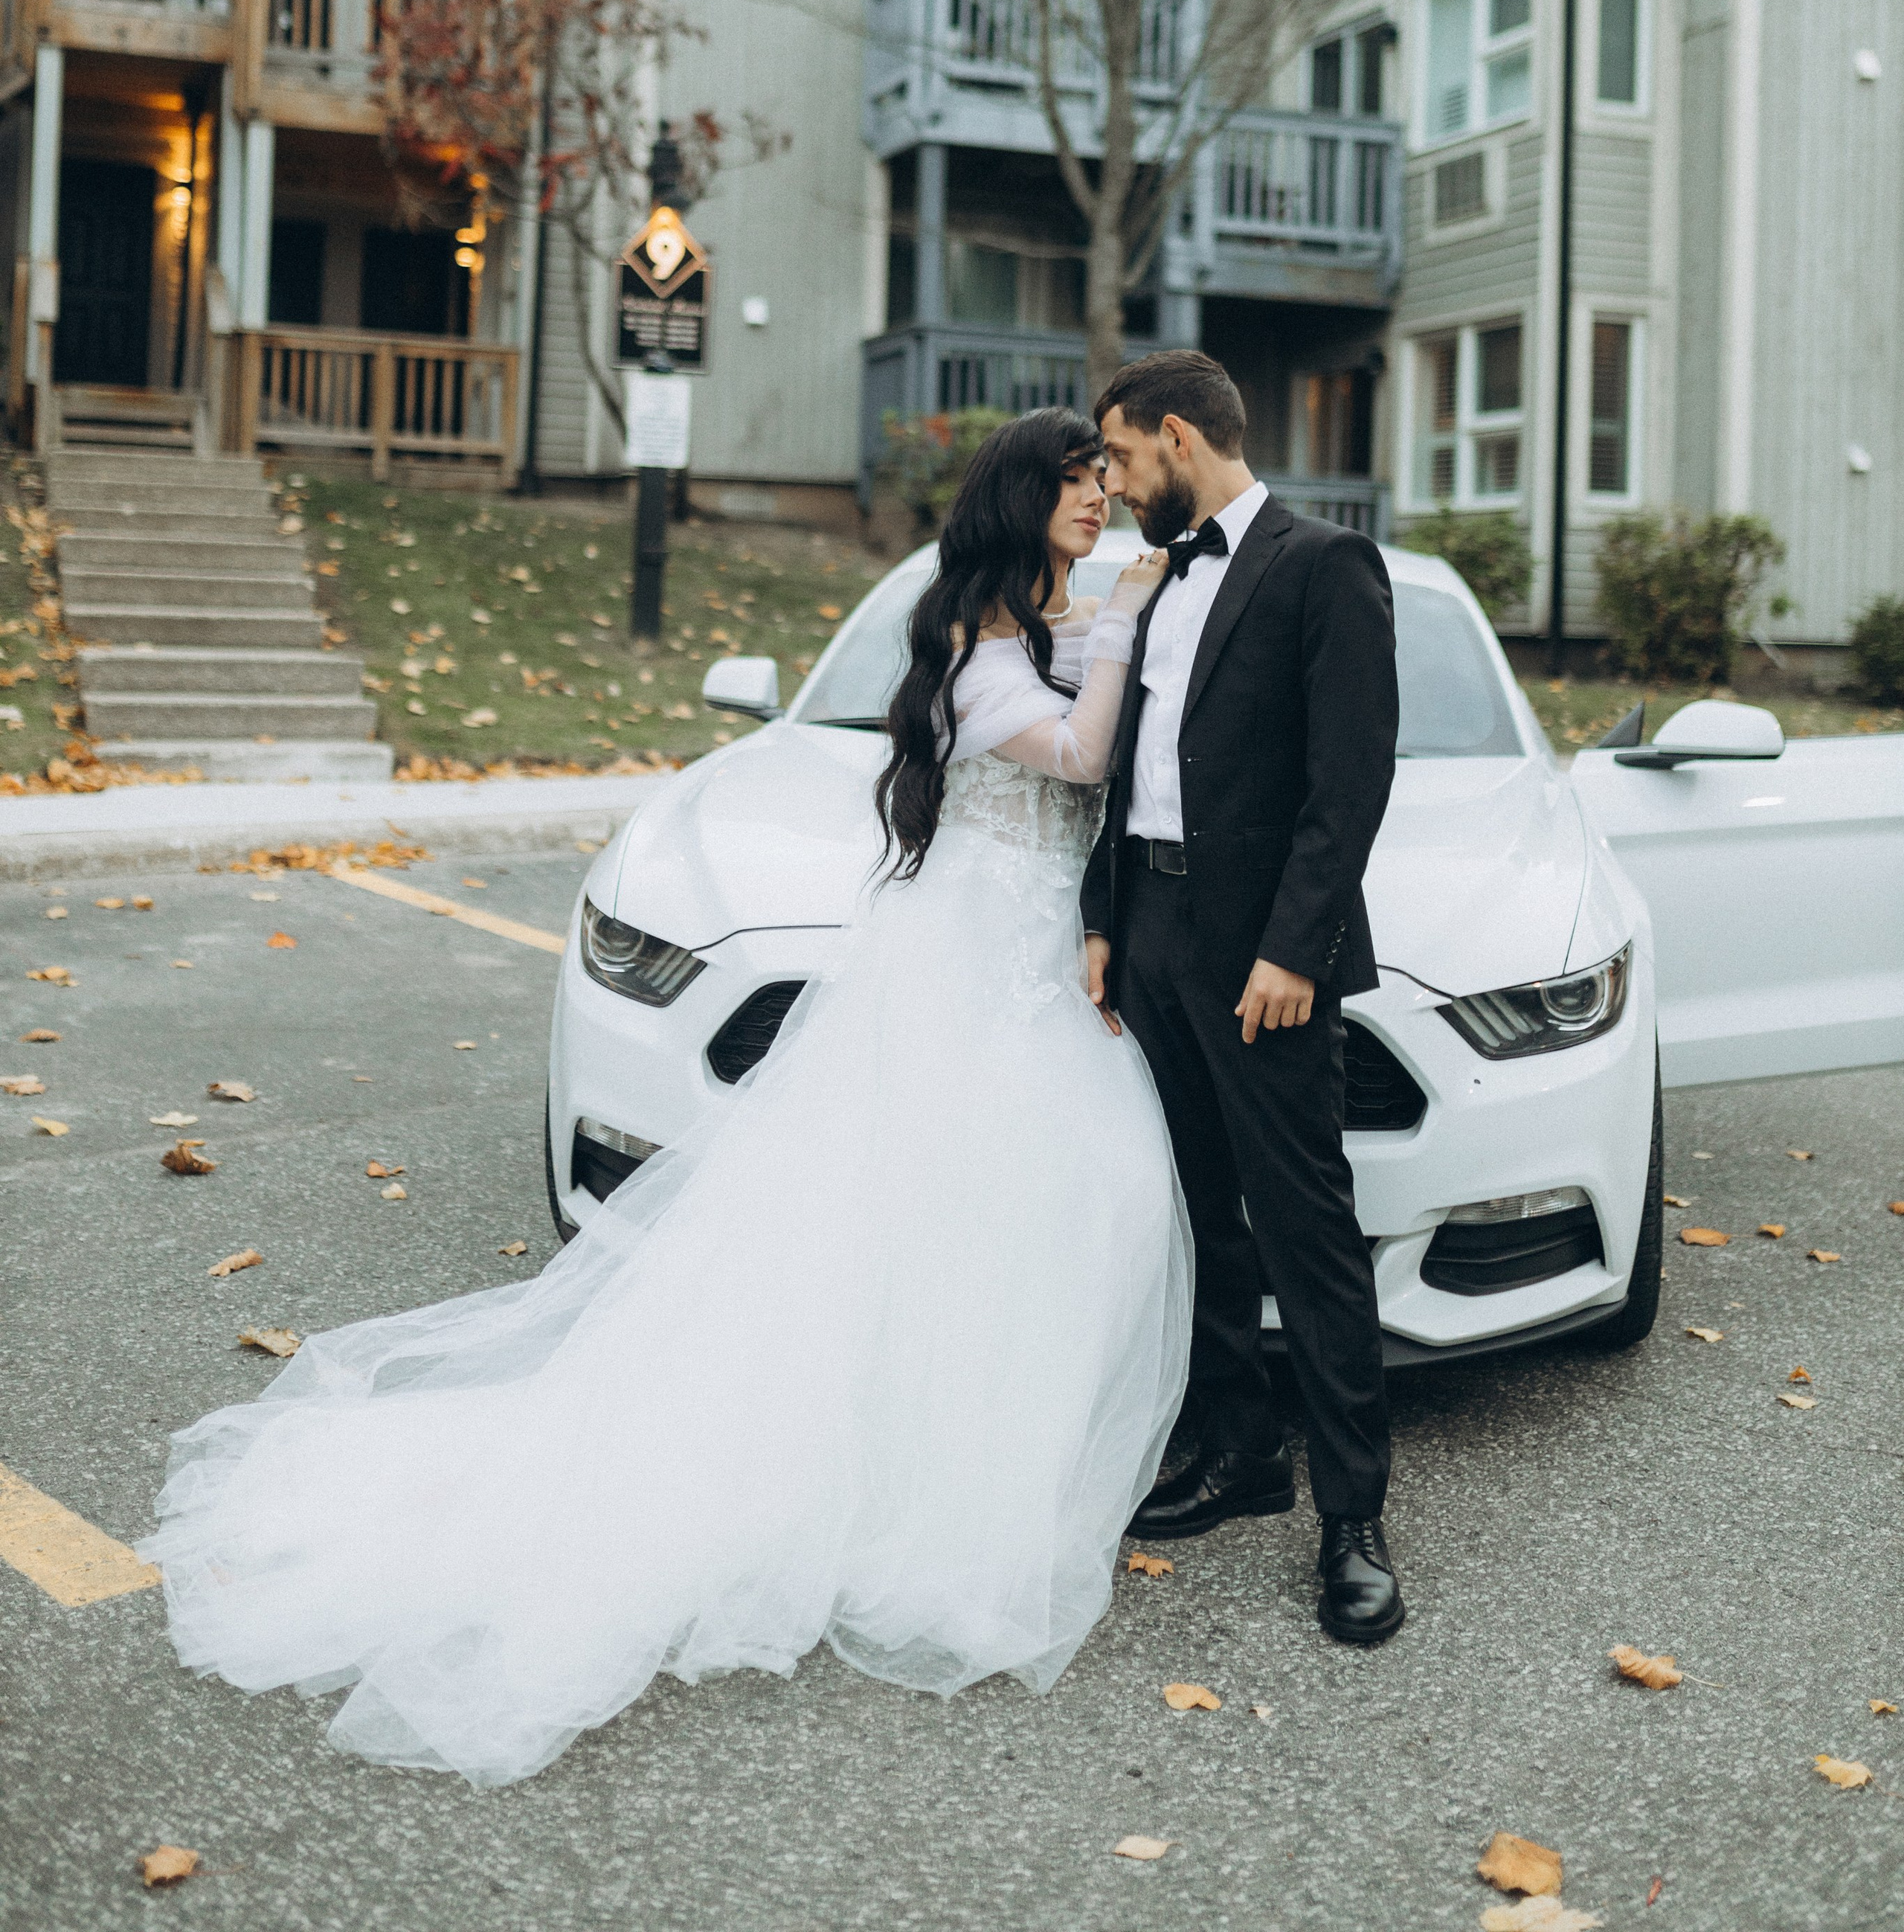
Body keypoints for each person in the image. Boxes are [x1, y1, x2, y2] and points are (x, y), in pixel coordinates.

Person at [141, 409, 1187, 1788]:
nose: (1099, 501)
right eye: (1076, 482)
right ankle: (894, 1479)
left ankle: (987, 1451)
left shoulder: (1050, 623)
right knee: (937, 1192)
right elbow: (1078, 764)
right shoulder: (973, 636)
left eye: (1105, 480)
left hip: (1042, 949)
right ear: (1021, 497)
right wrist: (1126, 621)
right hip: (970, 966)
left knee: (1036, 1200)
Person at [1081, 348, 1404, 1646]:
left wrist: (1295, 951)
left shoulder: (1325, 566)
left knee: (1302, 1219)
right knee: (1198, 1204)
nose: (1110, 482)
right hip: (1153, 930)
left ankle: (1354, 1519)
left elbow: (1350, 784)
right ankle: (1239, 1450)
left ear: (1176, 437)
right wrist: (1105, 919)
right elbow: (1128, 772)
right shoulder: (1155, 576)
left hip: (1265, 959)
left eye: (1118, 457)